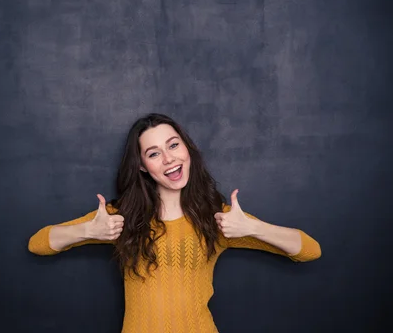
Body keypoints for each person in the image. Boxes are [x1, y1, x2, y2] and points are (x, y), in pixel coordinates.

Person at [28, 113, 321, 333]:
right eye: (154, 153)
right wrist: (87, 230)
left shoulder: (218, 218)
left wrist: (253, 228)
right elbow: (38, 243)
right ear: (142, 166)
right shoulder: (119, 218)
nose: (169, 159)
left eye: (173, 145)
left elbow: (309, 249)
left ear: (187, 149)